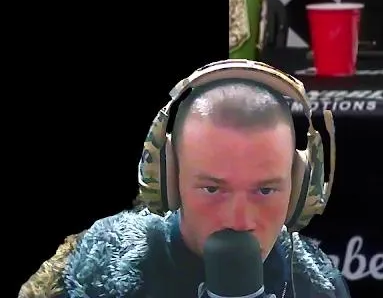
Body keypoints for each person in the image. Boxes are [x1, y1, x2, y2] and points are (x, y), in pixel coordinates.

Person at [20, 61, 348, 298]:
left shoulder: (315, 285)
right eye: (212, 189)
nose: (239, 221)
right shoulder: (96, 276)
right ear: (169, 180)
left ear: (301, 188)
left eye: (265, 190)